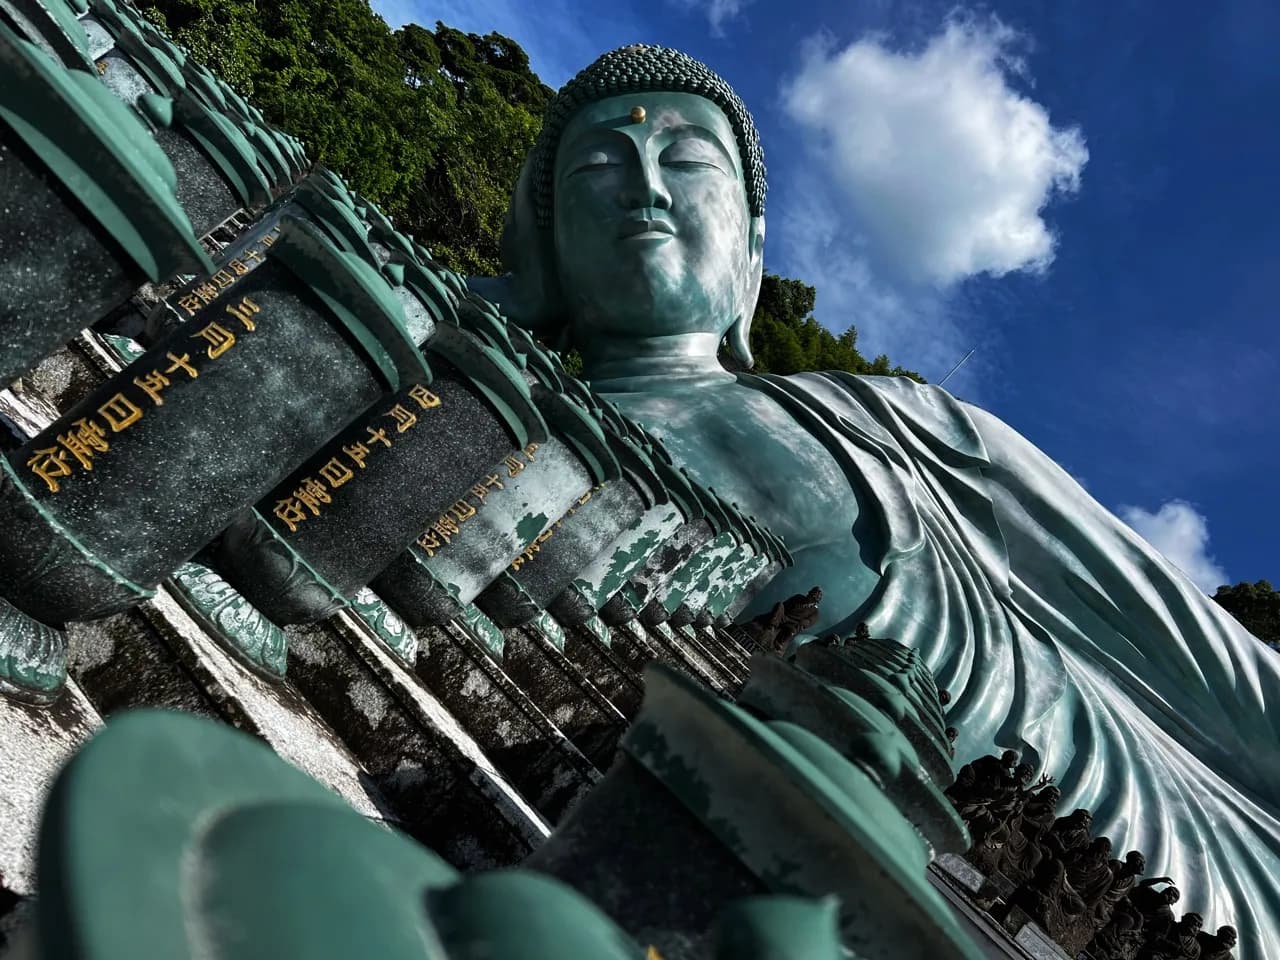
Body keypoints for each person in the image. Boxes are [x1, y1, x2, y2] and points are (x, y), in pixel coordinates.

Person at [471, 43, 1273, 953]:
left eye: (687, 160)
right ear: (543, 238)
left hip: (1137, 836)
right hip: (780, 834)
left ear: (752, 249)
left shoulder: (894, 418)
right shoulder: (504, 427)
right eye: (598, 165)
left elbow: (1206, 661)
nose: (646, 188)